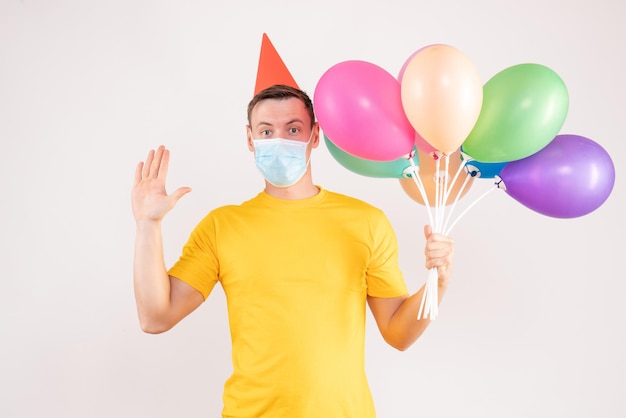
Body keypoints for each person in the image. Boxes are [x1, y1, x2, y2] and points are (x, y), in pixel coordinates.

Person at [131, 84, 455, 418]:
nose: (279, 140)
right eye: (266, 131)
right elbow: (156, 317)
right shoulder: (221, 226)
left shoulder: (366, 222)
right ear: (249, 138)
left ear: (315, 136)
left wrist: (438, 282)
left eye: (294, 129)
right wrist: (147, 225)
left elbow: (399, 334)